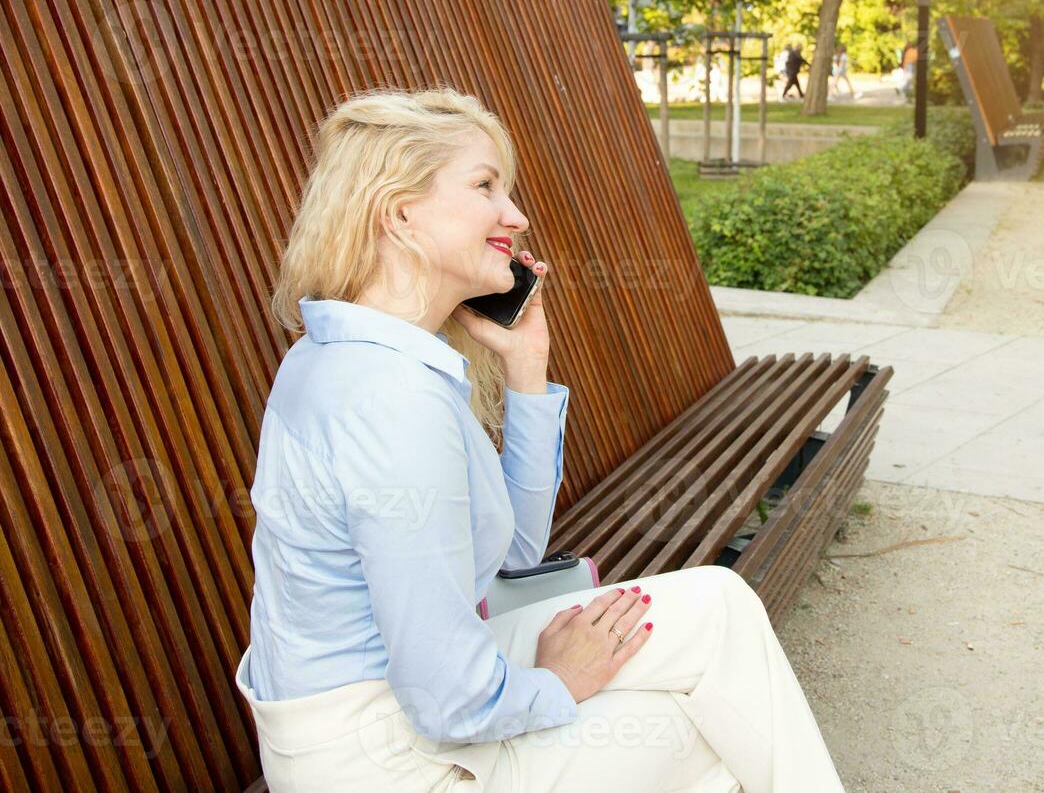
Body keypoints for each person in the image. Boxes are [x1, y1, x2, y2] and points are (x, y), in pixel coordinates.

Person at [234, 87, 845, 792]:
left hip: (395, 697)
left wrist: (527, 369)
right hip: (383, 758)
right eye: (486, 186)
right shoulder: (390, 397)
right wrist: (559, 682)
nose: (516, 217)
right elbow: (449, 700)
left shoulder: (361, 354)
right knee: (700, 732)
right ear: (400, 211)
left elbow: (511, 557)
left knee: (718, 606)